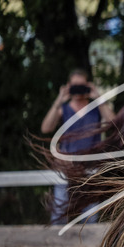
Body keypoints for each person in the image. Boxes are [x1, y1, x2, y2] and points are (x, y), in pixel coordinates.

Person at [40, 69, 114, 224]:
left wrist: (99, 99)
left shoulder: (96, 108)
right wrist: (59, 100)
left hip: (90, 168)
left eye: (81, 86)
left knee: (90, 216)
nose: (78, 90)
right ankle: (56, 245)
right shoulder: (63, 109)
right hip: (65, 167)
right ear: (68, 86)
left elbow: (114, 123)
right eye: (75, 86)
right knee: (59, 213)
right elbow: (46, 128)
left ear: (88, 86)